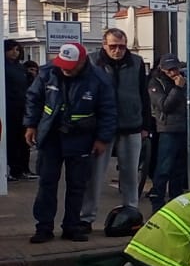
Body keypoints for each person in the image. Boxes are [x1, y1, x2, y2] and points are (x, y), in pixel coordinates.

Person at [24, 42, 117, 242]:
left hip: (81, 138)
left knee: (77, 185)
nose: (65, 69)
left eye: (70, 65)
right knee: (47, 183)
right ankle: (44, 227)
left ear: (82, 61)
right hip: (51, 137)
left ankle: (72, 227)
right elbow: (33, 99)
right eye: (63, 64)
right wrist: (31, 125)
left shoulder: (99, 79)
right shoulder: (47, 73)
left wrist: (102, 139)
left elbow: (108, 110)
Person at [81, 29, 150, 232]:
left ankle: (131, 214)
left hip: (132, 124)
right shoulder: (92, 61)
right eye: (113, 46)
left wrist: (146, 125)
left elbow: (143, 94)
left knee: (130, 174)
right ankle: (86, 218)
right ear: (104, 45)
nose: (118, 50)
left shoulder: (136, 62)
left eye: (121, 46)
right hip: (101, 127)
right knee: (95, 174)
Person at [147, 54, 190, 213]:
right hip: (168, 130)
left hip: (185, 129)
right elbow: (164, 106)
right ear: (162, 69)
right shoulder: (155, 83)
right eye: (169, 69)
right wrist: (177, 88)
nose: (173, 72)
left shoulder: (185, 80)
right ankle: (157, 205)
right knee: (164, 169)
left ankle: (176, 205)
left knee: (180, 170)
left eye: (175, 68)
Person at [5, 39, 33, 180]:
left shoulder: (20, 68)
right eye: (11, 49)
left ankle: (21, 169)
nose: (14, 52)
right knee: (10, 140)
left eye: (17, 49)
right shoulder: (3, 66)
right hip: (8, 109)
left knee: (22, 141)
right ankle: (10, 169)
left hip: (21, 107)